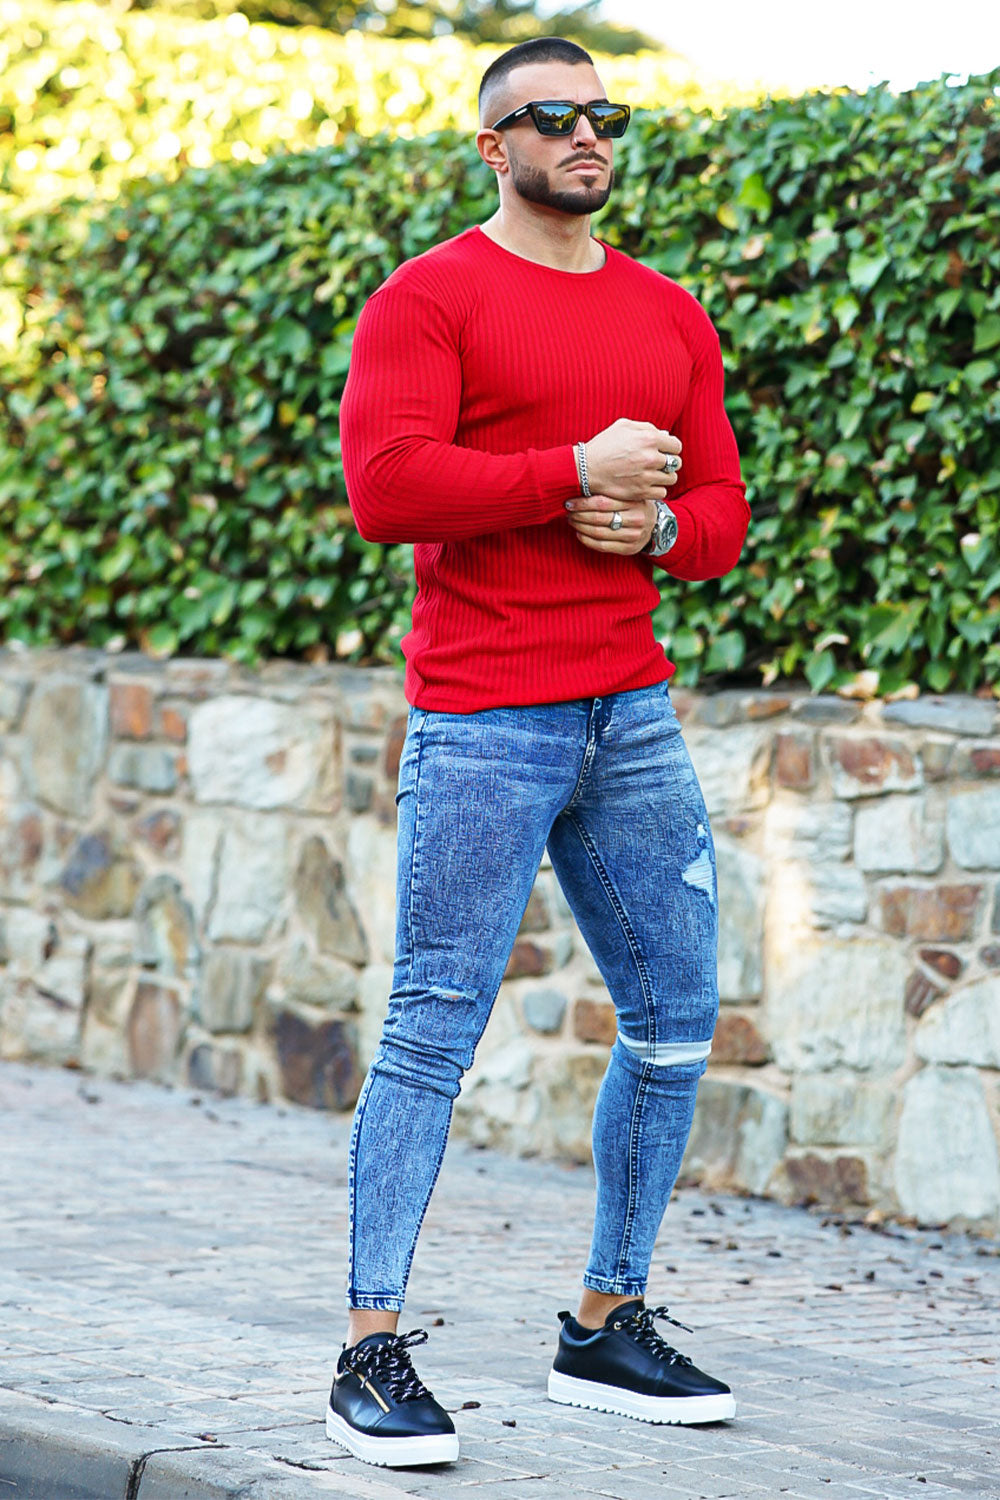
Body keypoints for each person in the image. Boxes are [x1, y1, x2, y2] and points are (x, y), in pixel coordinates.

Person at [328, 34, 750, 1469]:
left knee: (676, 1019)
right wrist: (570, 472)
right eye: (551, 114)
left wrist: (658, 526)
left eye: (602, 114)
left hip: (631, 715)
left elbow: (723, 513)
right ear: (493, 146)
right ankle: (370, 1349)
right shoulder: (428, 297)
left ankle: (604, 1322)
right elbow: (387, 488)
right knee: (433, 1025)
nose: (585, 134)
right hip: (483, 716)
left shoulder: (668, 314)